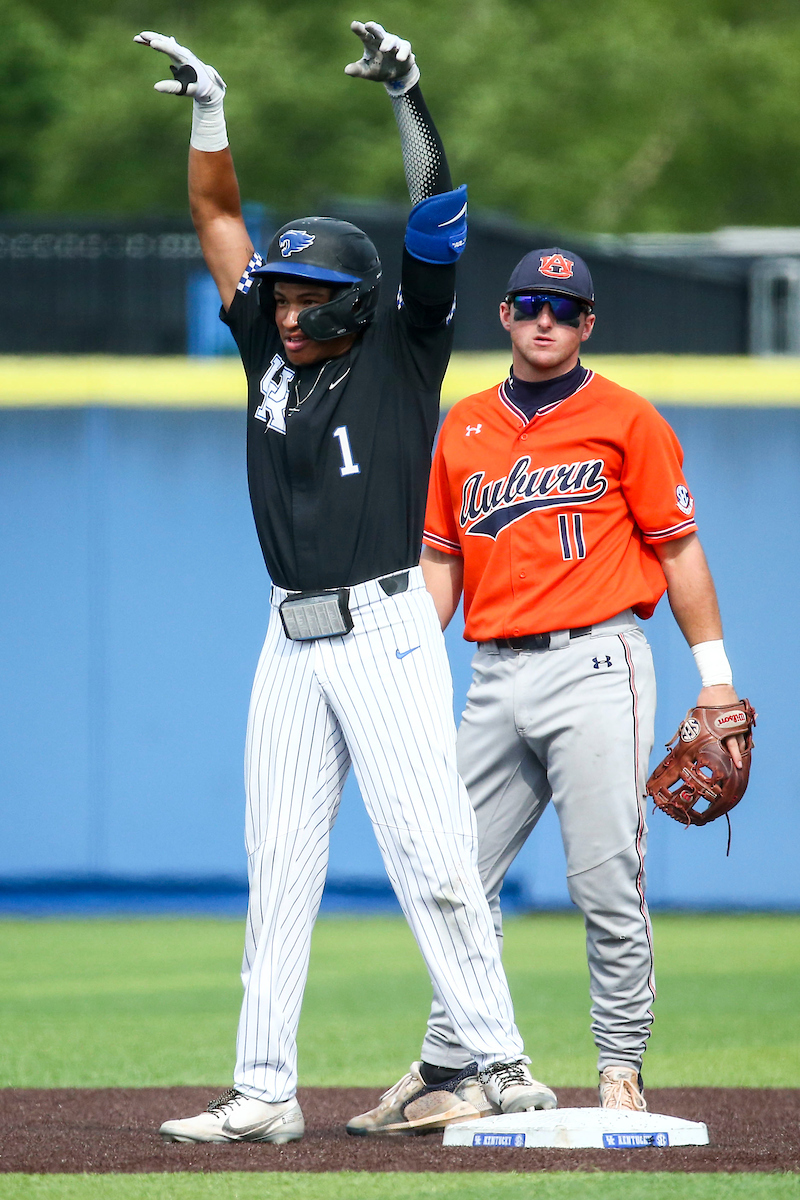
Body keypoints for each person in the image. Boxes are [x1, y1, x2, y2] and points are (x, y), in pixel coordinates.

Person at [135, 22, 556, 1145]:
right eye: (279, 292)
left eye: (304, 293)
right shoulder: (267, 352)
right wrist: (210, 113)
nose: (283, 307)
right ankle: (264, 1091)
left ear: (353, 299)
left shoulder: (404, 352)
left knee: (432, 855)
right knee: (277, 864)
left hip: (383, 628)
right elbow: (218, 220)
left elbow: (437, 215)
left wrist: (408, 97)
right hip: (288, 636)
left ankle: (500, 1062)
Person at [411, 247, 745, 1112]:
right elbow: (441, 563)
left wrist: (715, 679)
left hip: (597, 662)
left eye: (563, 308)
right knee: (452, 878)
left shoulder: (627, 419)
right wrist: (399, 662)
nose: (544, 319)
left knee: (604, 878)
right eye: (529, 303)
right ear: (504, 315)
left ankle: (619, 1067)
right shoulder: (464, 425)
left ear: (587, 323)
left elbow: (679, 551)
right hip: (493, 672)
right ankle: (453, 1068)